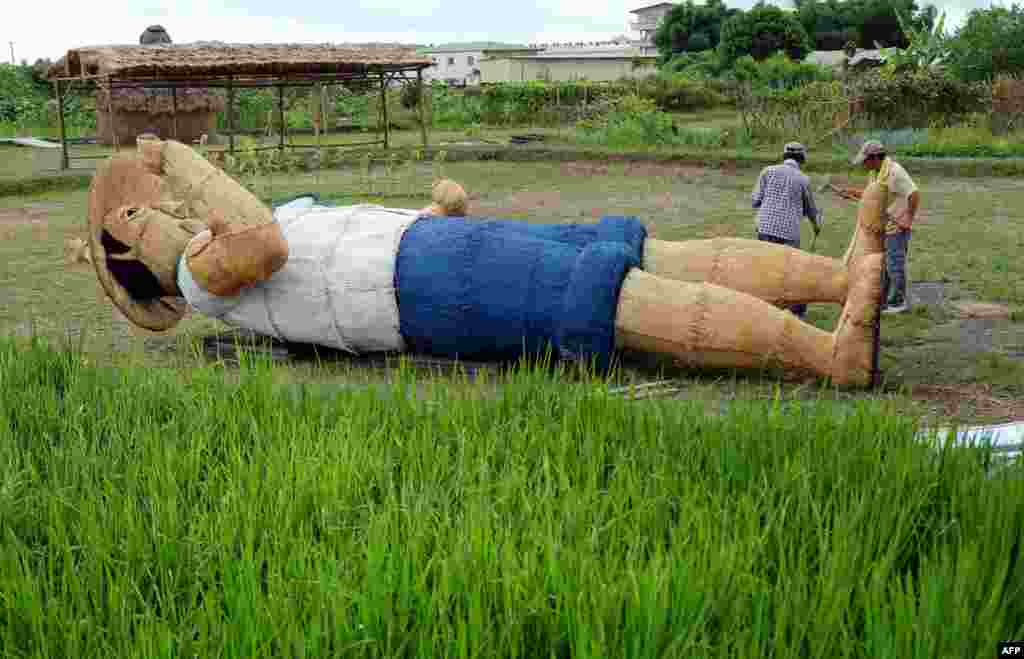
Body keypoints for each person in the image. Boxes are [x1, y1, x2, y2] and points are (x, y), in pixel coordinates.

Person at [81, 138, 890, 387]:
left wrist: (438, 210)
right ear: (138, 259)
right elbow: (268, 245)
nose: (164, 211)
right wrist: (184, 162)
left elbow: (346, 232)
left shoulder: (221, 235)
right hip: (417, 291)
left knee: (633, 250)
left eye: (152, 202)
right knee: (604, 291)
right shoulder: (199, 272)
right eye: (141, 217)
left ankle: (840, 278)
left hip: (428, 252)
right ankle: (828, 354)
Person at [751, 142, 824, 318]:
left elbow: (755, 201)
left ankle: (765, 307)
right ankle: (797, 311)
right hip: (789, 232)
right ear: (801, 159)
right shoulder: (803, 179)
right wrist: (816, 225)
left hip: (765, 227)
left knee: (767, 268)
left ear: (784, 156)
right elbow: (810, 210)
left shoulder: (767, 171)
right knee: (792, 271)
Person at [847, 140, 920, 314]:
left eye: (865, 160)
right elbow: (872, 195)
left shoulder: (895, 172)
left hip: (897, 226)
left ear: (874, 158)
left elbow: (914, 194)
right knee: (884, 266)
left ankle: (899, 302)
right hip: (883, 225)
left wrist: (908, 218)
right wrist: (852, 193)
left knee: (894, 264)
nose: (864, 165)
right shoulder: (876, 173)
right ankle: (885, 301)